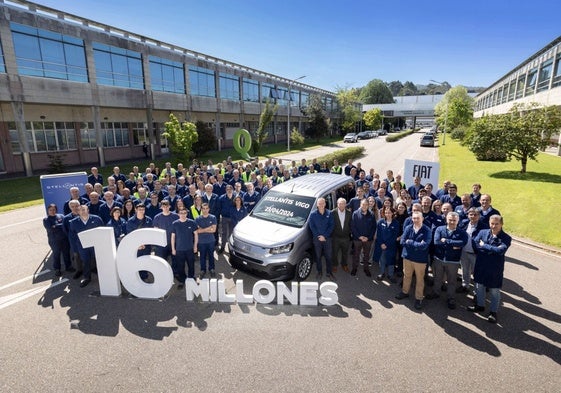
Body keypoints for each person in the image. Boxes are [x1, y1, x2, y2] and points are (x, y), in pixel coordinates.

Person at [468, 214, 511, 324]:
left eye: (497, 224)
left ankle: (493, 312)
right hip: (481, 266)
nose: (494, 226)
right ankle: (480, 305)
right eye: (492, 223)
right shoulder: (482, 233)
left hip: (494, 269)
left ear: (501, 224)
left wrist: (485, 246)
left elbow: (500, 251)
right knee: (479, 287)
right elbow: (476, 244)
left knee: (494, 291)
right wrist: (491, 249)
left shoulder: (506, 238)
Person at [425, 212, 468, 309]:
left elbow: (462, 243)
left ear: (457, 221)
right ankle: (436, 292)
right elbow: (436, 242)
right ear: (446, 220)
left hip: (453, 261)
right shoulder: (439, 229)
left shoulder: (462, 233)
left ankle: (451, 298)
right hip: (439, 259)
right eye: (450, 220)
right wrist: (454, 245)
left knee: (452, 281)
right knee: (437, 278)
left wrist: (447, 241)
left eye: (454, 220)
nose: (452, 222)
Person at [395, 211, 432, 310]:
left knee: (420, 280)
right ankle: (405, 292)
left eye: (417, 218)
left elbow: (424, 246)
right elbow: (402, 241)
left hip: (420, 260)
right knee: (407, 276)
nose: (415, 220)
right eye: (414, 218)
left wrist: (410, 242)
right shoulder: (408, 228)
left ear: (422, 219)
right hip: (407, 257)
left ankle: (419, 298)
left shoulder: (427, 230)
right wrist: (416, 244)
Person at [68, 205, 104, 288]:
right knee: (85, 261)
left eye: (84, 209)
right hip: (82, 246)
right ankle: (87, 277)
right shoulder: (73, 222)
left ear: (88, 210)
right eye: (80, 210)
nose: (82, 211)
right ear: (78, 212)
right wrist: (75, 249)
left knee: (99, 260)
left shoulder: (96, 219)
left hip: (95, 245)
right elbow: (72, 236)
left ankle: (104, 275)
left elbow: (102, 231)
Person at [457, 208, 488, 294]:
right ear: (468, 215)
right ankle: (465, 285)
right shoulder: (463, 223)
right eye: (471, 214)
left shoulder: (484, 227)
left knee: (476, 273)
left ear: (479, 216)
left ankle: (476, 292)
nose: (473, 216)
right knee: (465, 270)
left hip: (476, 254)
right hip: (464, 251)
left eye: (475, 215)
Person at [43, 203, 74, 276]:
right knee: (56, 255)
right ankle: (57, 269)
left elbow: (65, 225)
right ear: (48, 211)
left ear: (56, 210)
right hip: (54, 241)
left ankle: (68, 266)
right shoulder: (46, 220)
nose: (52, 211)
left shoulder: (61, 216)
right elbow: (50, 229)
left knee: (66, 253)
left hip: (64, 239)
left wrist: (56, 226)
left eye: (54, 210)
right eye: (50, 210)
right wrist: (60, 225)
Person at [171, 207, 199, 288]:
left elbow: (196, 235)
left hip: (189, 249)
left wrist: (195, 246)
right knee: (180, 267)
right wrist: (173, 249)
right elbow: (173, 237)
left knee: (191, 265)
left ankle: (191, 278)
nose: (183, 215)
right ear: (178, 214)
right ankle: (182, 280)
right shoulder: (175, 224)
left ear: (187, 213)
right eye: (181, 213)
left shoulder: (192, 223)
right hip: (179, 250)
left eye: (184, 213)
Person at [125, 202, 153, 281]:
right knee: (137, 262)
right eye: (139, 209)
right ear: (136, 210)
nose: (141, 211)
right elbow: (130, 235)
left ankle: (145, 277)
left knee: (145, 261)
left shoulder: (149, 220)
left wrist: (146, 243)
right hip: (136, 246)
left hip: (146, 245)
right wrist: (137, 245)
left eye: (143, 209)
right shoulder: (130, 221)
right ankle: (138, 279)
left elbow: (150, 233)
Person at [309, 197, 335, 280]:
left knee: (329, 256)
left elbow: (332, 226)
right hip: (317, 239)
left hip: (327, 239)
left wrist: (325, 236)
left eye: (322, 203)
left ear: (325, 204)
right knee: (318, 256)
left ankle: (329, 272)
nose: (321, 205)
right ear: (317, 204)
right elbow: (312, 226)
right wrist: (319, 236)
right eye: (319, 203)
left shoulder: (329, 213)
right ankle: (319, 272)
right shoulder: (313, 214)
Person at [350, 198, 377, 277]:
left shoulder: (371, 214)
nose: (364, 206)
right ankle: (354, 268)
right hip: (357, 239)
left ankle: (366, 269)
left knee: (366, 255)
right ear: (360, 205)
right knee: (356, 255)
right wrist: (359, 236)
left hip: (368, 240)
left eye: (366, 204)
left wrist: (368, 237)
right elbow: (353, 226)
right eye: (363, 204)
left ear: (368, 205)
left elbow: (373, 227)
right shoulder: (355, 214)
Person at [373, 207, 400, 283]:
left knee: (391, 261)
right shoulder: (380, 222)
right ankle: (382, 273)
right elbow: (379, 234)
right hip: (381, 245)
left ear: (392, 213)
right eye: (386, 212)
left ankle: (390, 275)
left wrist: (387, 244)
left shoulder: (396, 223)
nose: (388, 214)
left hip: (391, 246)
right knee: (382, 260)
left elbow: (395, 236)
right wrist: (381, 243)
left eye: (389, 213)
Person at [153, 200, 179, 265]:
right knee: (162, 261)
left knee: (175, 260)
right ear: (161, 207)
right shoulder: (157, 217)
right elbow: (156, 231)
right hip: (162, 243)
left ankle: (175, 273)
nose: (165, 208)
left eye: (167, 206)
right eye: (163, 206)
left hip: (174, 242)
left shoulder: (175, 216)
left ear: (169, 206)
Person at [195, 203, 217, 279]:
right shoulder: (197, 218)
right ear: (201, 209)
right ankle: (203, 270)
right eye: (203, 208)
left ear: (209, 209)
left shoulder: (213, 217)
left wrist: (202, 229)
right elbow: (197, 231)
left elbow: (214, 230)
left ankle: (212, 269)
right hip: (201, 241)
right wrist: (208, 228)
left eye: (206, 208)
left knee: (211, 256)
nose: (205, 210)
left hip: (211, 241)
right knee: (202, 256)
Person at [331, 197, 352, 273]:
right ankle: (335, 265)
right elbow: (330, 225)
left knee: (345, 253)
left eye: (343, 204)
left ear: (345, 204)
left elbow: (351, 224)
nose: (342, 205)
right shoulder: (333, 213)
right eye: (340, 203)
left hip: (346, 237)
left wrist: (350, 232)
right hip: (335, 237)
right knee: (334, 253)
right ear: (337, 204)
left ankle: (344, 264)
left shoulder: (349, 213)